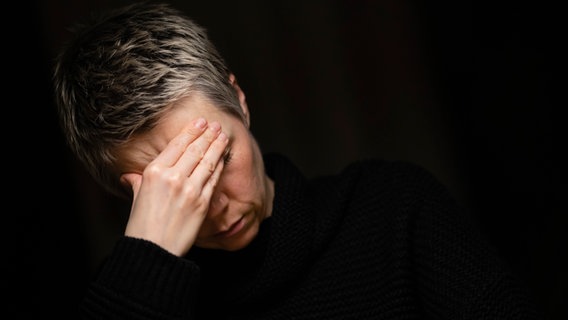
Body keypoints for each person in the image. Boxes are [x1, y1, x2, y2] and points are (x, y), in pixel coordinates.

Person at [52, 2, 540, 319]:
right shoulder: (127, 300)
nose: (215, 205)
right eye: (174, 185)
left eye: (216, 158)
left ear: (239, 101)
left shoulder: (393, 210)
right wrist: (145, 263)